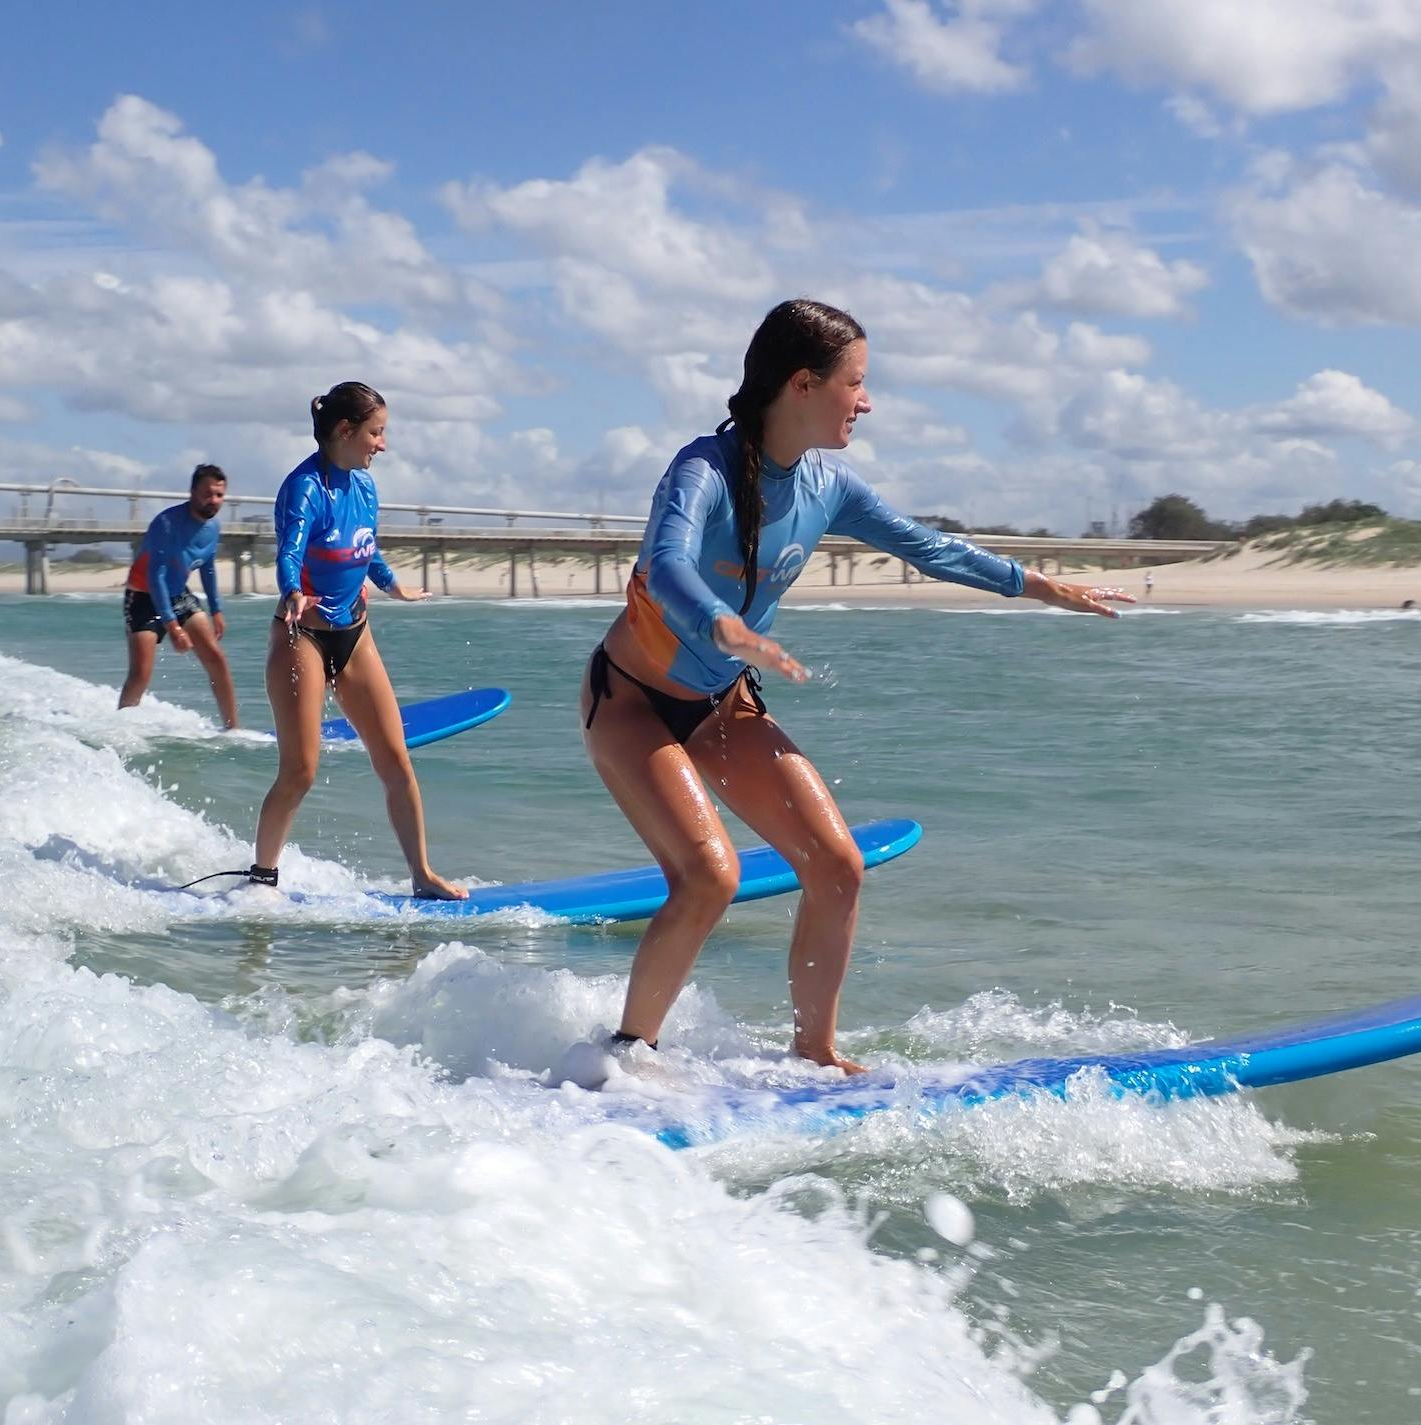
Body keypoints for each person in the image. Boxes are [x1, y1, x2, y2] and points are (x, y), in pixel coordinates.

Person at [578, 298, 1130, 1074]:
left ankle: (815, 1055)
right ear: (803, 384)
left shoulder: (828, 487)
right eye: (856, 382)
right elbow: (665, 563)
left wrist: (1040, 585)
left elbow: (929, 548)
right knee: (709, 875)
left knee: (837, 865)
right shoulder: (702, 469)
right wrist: (723, 625)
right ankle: (623, 1061)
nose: (866, 401)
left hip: (721, 704)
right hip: (632, 699)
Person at [248, 382, 465, 899]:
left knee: (396, 760)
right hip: (303, 637)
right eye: (376, 432)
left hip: (355, 635)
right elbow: (289, 550)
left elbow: (367, 547)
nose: (382, 445)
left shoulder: (364, 487)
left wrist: (392, 585)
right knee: (300, 770)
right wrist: (291, 591)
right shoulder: (304, 488)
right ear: (345, 431)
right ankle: (261, 879)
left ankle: (422, 875)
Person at [120, 463, 239, 728]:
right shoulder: (166, 524)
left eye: (219, 495)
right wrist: (172, 626)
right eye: (207, 494)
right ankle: (120, 729)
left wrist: (216, 609)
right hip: (143, 598)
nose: (214, 500)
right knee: (140, 674)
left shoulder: (213, 527)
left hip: (178, 594)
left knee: (216, 659)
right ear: (193, 492)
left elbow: (207, 567)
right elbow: (157, 577)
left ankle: (234, 730)